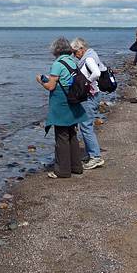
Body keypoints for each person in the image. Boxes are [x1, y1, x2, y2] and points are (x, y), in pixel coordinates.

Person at [36, 37, 89, 178]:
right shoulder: (72, 60)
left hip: (61, 101)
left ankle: (62, 170)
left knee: (61, 136)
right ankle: (76, 166)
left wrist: (41, 81)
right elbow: (66, 78)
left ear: (55, 50)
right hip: (73, 99)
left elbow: (51, 86)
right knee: (72, 133)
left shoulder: (57, 63)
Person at [70, 38, 105, 170]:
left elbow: (96, 73)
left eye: (75, 52)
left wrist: (86, 83)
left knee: (86, 126)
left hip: (90, 96)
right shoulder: (91, 54)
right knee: (86, 125)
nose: (74, 55)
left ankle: (96, 157)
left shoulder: (88, 58)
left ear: (81, 49)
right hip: (93, 95)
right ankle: (92, 154)